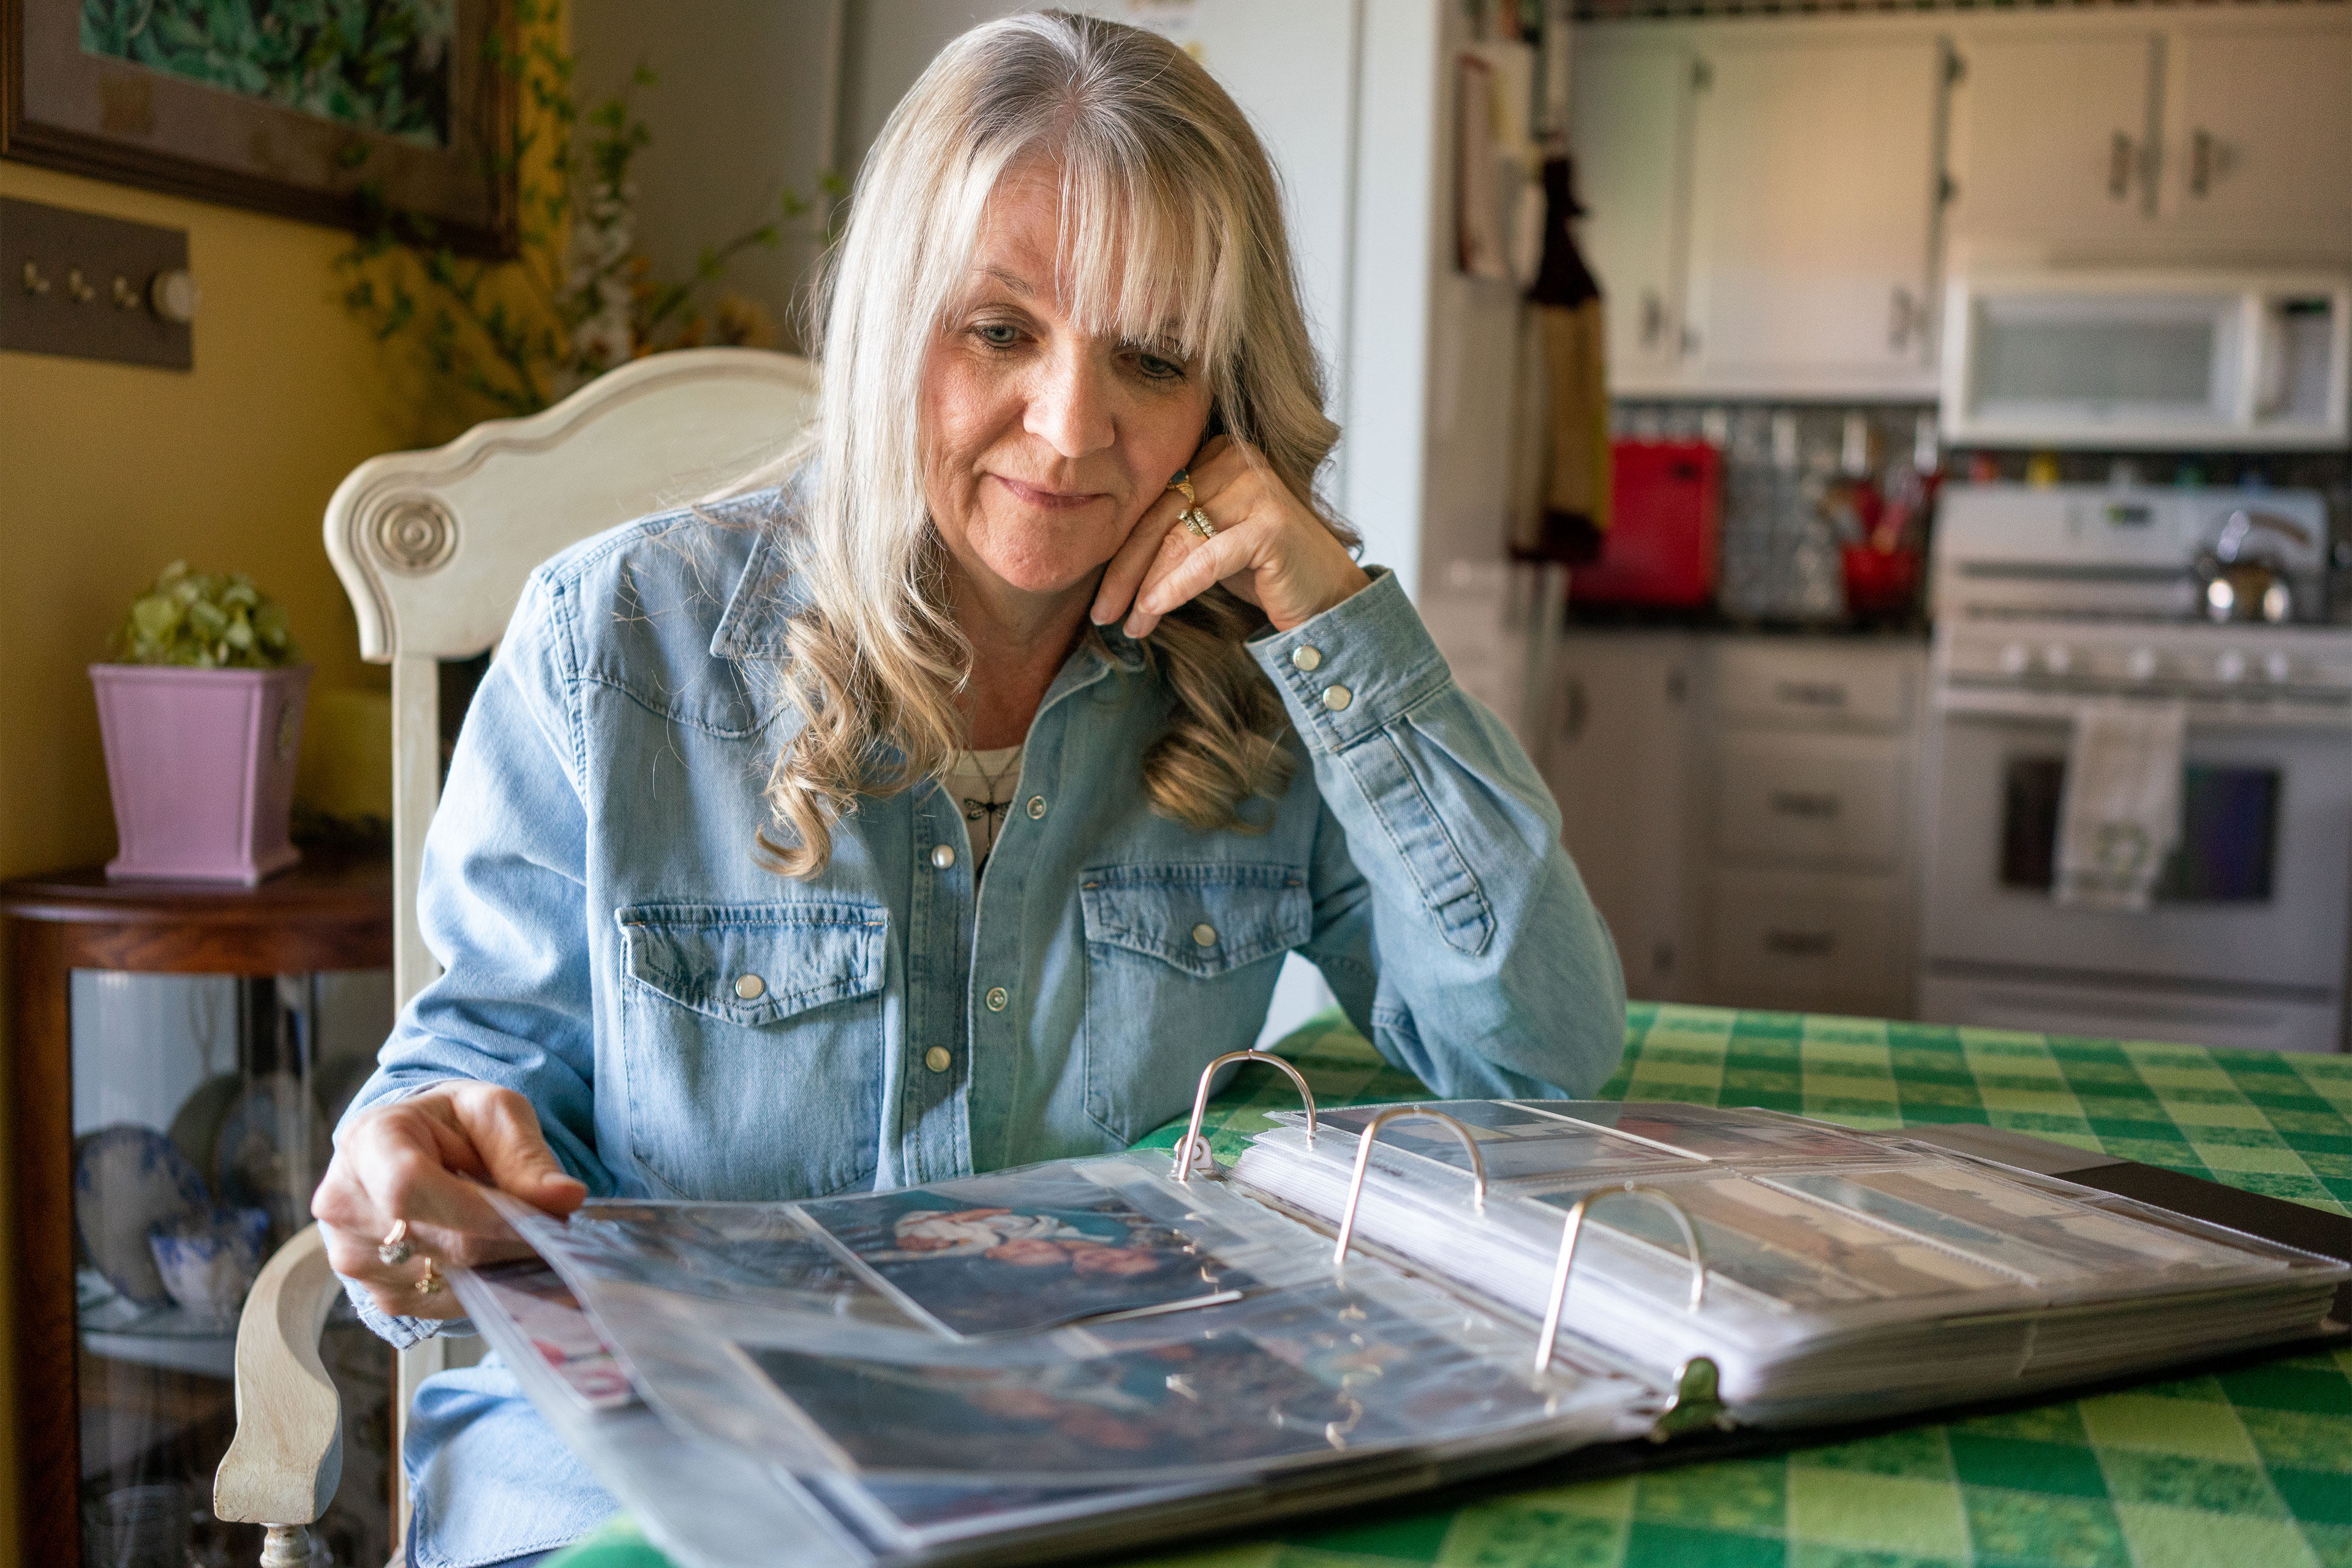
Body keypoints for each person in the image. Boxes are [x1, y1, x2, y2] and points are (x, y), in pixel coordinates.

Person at [312, 12, 1626, 1565]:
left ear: (1227, 395)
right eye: (999, 331)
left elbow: (1542, 1062)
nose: (1073, 433)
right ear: (889, 326)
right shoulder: (611, 647)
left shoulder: (1265, 684)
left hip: (1098, 1480)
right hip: (655, 1496)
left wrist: (1338, 619)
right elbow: (473, 1088)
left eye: (1151, 356)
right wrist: (415, 1152)